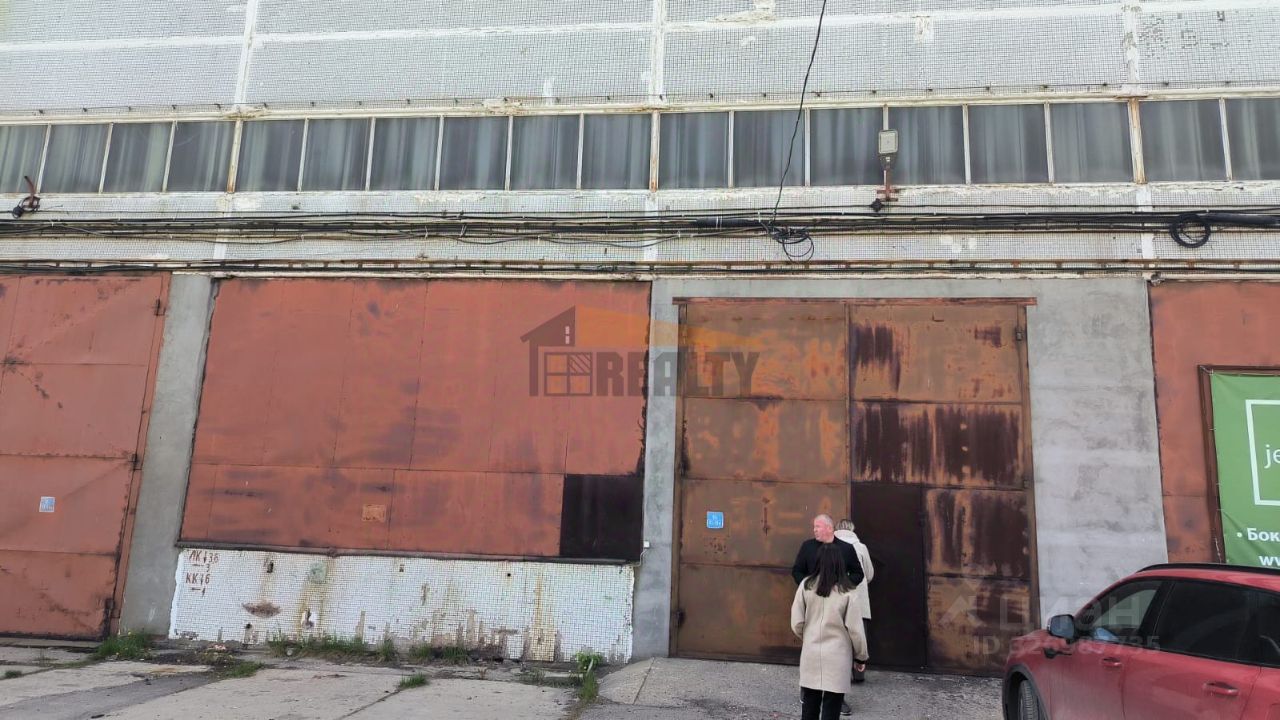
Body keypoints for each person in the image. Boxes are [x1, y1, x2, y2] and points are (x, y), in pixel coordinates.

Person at [791, 543, 870, 720]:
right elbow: (856, 631)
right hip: (838, 656)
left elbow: (797, 622)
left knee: (809, 705)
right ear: (840, 563)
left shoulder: (806, 586)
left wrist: (808, 635)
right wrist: (861, 657)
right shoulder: (848, 591)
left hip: (811, 652)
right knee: (832, 707)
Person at [835, 519, 874, 689]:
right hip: (859, 597)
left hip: (837, 597)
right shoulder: (861, 547)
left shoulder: (830, 546)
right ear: (852, 529)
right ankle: (859, 673)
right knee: (859, 634)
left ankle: (839, 674)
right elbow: (869, 573)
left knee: (838, 635)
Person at [791, 515, 865, 588]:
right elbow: (797, 571)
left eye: (818, 526)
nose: (814, 530)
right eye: (814, 527)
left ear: (829, 528)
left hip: (839, 594)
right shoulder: (808, 546)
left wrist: (842, 586)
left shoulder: (846, 548)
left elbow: (858, 573)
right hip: (812, 593)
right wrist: (808, 586)